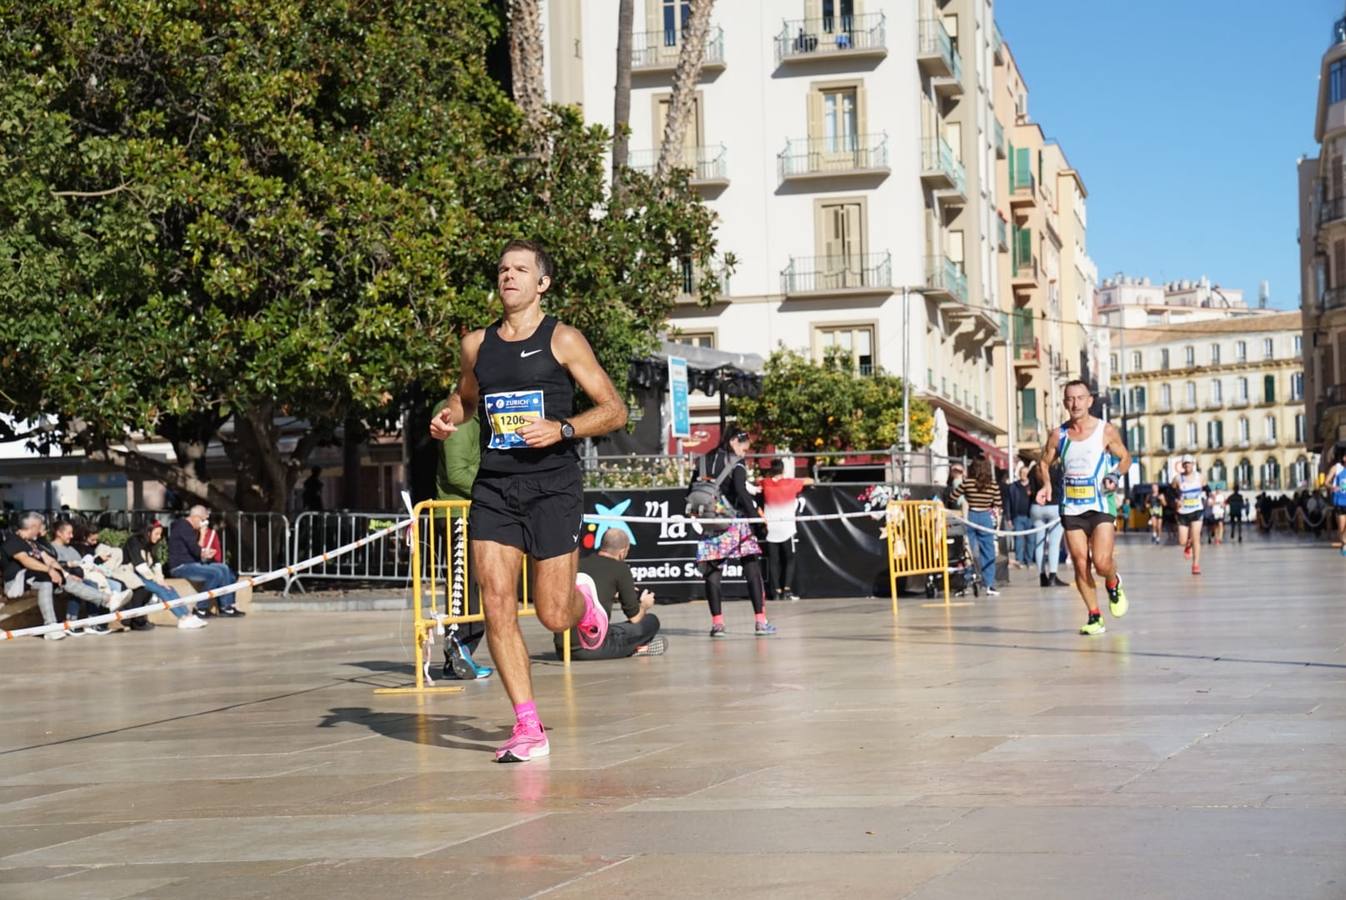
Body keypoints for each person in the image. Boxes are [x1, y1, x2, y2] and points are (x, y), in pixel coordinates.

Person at [428, 239, 627, 764]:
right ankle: (528, 726)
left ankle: (584, 602)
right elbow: (466, 399)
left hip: (553, 485)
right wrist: (450, 416)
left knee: (553, 615)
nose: (508, 277)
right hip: (495, 486)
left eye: (520, 270)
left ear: (542, 283)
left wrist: (562, 427)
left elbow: (613, 410)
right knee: (495, 602)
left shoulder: (562, 339)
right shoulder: (476, 344)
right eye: (502, 269)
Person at [1037, 380, 1132, 636]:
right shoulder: (1059, 435)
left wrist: (1114, 475)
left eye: (1080, 398)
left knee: (1101, 563)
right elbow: (1044, 462)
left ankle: (1113, 582)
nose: (1075, 403)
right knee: (1080, 563)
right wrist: (1046, 485)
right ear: (1064, 402)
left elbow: (1125, 458)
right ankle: (1094, 616)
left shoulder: (1106, 430)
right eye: (1070, 398)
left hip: (1100, 503)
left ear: (1090, 401)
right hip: (1071, 507)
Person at [430, 399, 491, 680]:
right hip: (457, 512)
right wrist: (493, 489)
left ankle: (461, 654)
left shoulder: (475, 417)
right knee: (461, 589)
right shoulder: (456, 414)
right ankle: (455, 655)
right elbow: (456, 473)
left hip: (471, 510)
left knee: (473, 588)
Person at [694, 430, 776, 636]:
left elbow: (690, 491)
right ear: (733, 442)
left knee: (712, 572)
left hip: (711, 522)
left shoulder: (702, 461)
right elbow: (742, 492)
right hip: (735, 522)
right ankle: (760, 621)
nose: (743, 453)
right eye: (743, 447)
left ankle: (717, 624)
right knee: (751, 569)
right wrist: (757, 523)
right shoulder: (736, 463)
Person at [558, 529, 664, 660]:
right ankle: (635, 648)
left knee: (610, 628)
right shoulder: (620, 568)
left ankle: (632, 648)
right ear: (622, 552)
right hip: (593, 648)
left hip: (563, 649)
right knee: (651, 621)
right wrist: (644, 606)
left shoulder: (579, 564)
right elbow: (635, 618)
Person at [124, 521, 209, 629]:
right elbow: (140, 566)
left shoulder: (151, 545)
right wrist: (156, 581)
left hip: (145, 576)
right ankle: (182, 618)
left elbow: (156, 564)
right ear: (148, 532)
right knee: (161, 590)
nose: (159, 537)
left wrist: (161, 580)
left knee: (169, 588)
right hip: (132, 575)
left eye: (160, 534)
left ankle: (187, 615)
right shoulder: (134, 542)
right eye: (157, 534)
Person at [167, 505, 244, 616]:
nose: (204, 524)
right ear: (196, 518)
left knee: (223, 568)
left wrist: (205, 553)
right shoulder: (183, 527)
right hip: (181, 566)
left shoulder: (190, 528)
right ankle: (201, 608)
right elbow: (196, 550)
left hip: (193, 564)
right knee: (215, 573)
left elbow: (197, 551)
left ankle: (227, 606)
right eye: (203, 520)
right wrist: (202, 535)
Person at [760, 459, 814, 601]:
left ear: (771, 470)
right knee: (790, 558)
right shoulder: (791, 483)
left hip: (771, 527)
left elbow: (757, 483)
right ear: (783, 470)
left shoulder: (765, 483)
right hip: (787, 528)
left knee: (773, 560)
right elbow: (811, 480)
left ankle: (776, 591)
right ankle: (787, 590)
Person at [948, 457, 1002, 596]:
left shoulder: (968, 483)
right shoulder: (993, 484)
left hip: (970, 516)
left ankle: (967, 582)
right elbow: (998, 503)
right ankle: (989, 584)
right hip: (985, 517)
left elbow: (952, 497)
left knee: (968, 551)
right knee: (988, 551)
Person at [1027, 454, 1067, 588]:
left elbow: (1031, 489)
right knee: (1054, 544)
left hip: (1036, 506)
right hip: (1054, 506)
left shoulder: (1034, 469)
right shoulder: (1058, 468)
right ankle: (1053, 577)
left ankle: (1042, 576)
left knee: (1039, 542)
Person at [1171, 456, 1206, 575]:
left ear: (1193, 464)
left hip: (1197, 510)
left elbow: (1207, 488)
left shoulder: (1200, 477)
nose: (1187, 466)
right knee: (1181, 541)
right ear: (1182, 465)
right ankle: (1187, 544)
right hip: (1183, 512)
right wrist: (1176, 500)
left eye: (1189, 463)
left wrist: (1209, 497)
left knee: (1196, 537)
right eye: (1185, 464)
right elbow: (1171, 491)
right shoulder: (1178, 478)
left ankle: (1196, 565)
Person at [1007, 464, 1034, 569]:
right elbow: (1008, 502)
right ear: (1019, 474)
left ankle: (1029, 561)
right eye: (1022, 473)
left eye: (1026, 473)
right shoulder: (1013, 487)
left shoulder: (1033, 486)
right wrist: (1008, 517)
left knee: (1031, 540)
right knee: (1018, 540)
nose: (1024, 475)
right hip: (1017, 516)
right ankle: (1019, 561)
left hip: (1031, 516)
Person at [1328, 446, 1346, 555]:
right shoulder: (1337, 468)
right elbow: (1326, 482)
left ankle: (1344, 544)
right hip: (1340, 501)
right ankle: (1344, 546)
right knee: (1341, 528)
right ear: (1344, 458)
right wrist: (1333, 487)